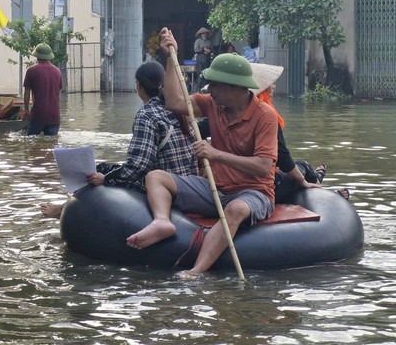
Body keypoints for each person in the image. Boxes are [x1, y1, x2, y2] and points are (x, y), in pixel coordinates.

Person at [126, 28, 278, 277]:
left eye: (215, 86)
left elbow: (263, 166)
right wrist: (169, 57)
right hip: (216, 187)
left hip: (254, 192)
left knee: (236, 209)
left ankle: (196, 271)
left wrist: (216, 154)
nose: (210, 91)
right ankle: (162, 221)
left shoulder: (265, 116)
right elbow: (174, 102)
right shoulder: (213, 105)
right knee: (156, 176)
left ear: (235, 88)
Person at [40, 61, 199, 219]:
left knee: (95, 172)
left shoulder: (147, 115)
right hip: (187, 186)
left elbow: (138, 166)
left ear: (139, 86)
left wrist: (106, 179)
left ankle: (64, 210)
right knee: (103, 169)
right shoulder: (180, 110)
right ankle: (66, 206)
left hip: (163, 187)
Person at [249, 63, 348, 201]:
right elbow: (282, 156)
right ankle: (322, 188)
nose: (274, 86)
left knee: (299, 167)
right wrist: (301, 180)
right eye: (271, 83)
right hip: (266, 185)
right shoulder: (265, 114)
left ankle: (317, 181)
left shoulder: (236, 110)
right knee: (304, 166)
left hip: (250, 180)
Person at [23, 43, 63, 136]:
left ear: (36, 56)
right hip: (54, 116)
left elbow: (26, 93)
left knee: (32, 144)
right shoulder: (57, 71)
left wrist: (26, 110)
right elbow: (58, 92)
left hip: (38, 115)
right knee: (51, 145)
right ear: (49, 56)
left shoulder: (31, 70)